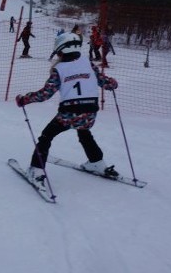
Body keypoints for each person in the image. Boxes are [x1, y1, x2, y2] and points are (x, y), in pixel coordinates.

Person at [15, 32, 119, 190]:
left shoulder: (59, 69)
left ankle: (36, 171)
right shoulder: (88, 63)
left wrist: (25, 99)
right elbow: (104, 81)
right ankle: (97, 162)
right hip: (90, 112)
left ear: (61, 50)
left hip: (68, 114)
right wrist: (112, 83)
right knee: (84, 131)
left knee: (46, 136)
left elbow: (45, 94)